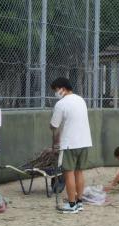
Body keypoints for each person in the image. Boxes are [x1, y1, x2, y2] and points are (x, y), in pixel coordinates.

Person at [50, 77, 92, 214]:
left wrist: (53, 131)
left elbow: (54, 125)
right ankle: (79, 202)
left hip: (70, 143)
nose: (56, 93)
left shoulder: (61, 104)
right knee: (79, 172)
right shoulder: (80, 99)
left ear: (62, 88)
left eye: (56, 90)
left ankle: (72, 204)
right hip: (85, 141)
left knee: (68, 173)